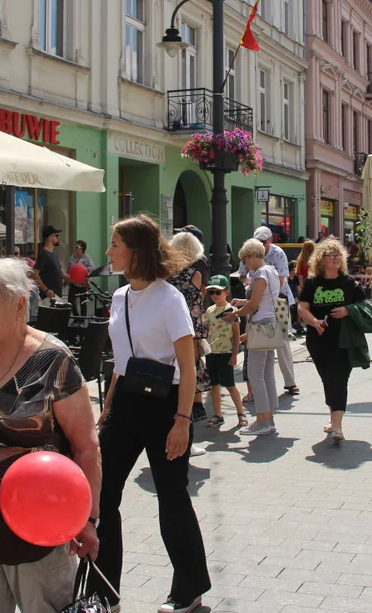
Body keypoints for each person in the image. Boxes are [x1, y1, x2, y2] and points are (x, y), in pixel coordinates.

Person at [0, 258, 101, 613]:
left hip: (40, 529)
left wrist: (88, 520)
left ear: (19, 306)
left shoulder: (52, 361)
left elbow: (86, 446)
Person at [94, 215, 210, 613]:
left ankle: (189, 589)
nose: (108, 252)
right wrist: (107, 407)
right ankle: (104, 593)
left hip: (166, 404)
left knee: (172, 498)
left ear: (136, 251)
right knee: (101, 496)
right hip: (125, 403)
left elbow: (189, 364)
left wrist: (182, 421)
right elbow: (120, 360)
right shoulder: (119, 297)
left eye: (114, 245)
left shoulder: (169, 298)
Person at [298, 238, 367, 443]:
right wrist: (315, 322)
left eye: (339, 255)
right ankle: (333, 417)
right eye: (332, 255)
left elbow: (364, 306)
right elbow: (302, 308)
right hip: (318, 340)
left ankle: (337, 426)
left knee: (338, 378)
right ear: (322, 259)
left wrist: (348, 310)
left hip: (344, 340)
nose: (336, 258)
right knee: (327, 378)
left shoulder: (349, 282)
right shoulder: (312, 283)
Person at [225, 238, 282, 436]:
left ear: (251, 256)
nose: (245, 264)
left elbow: (254, 304)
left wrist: (235, 314)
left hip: (260, 326)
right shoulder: (272, 271)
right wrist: (243, 302)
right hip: (271, 325)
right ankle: (269, 419)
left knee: (256, 375)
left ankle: (261, 421)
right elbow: (264, 298)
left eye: (245, 260)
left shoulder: (260, 273)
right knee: (267, 374)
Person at [240, 226, 299, 395]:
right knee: (257, 339)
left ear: (270, 241)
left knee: (282, 339)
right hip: (257, 300)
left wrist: (262, 293)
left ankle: (290, 382)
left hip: (278, 300)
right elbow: (243, 273)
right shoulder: (250, 250)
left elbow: (281, 280)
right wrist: (246, 283)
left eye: (263, 243)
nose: (260, 245)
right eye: (257, 242)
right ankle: (260, 386)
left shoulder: (278, 253)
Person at [168, 230, 212, 433]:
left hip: (169, 325)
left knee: (174, 364)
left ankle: (180, 404)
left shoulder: (166, 273)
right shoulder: (195, 274)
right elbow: (197, 305)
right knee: (191, 364)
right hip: (189, 327)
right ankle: (195, 405)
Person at [203, 276, 247, 429]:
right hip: (211, 353)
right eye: (212, 292)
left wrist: (235, 354)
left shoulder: (232, 310)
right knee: (214, 385)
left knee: (230, 385)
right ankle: (217, 414)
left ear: (226, 292)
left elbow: (236, 334)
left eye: (218, 292)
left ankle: (241, 412)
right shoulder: (209, 311)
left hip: (226, 352)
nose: (215, 295)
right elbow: (208, 331)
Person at [32, 225, 65, 300]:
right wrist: (46, 290)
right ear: (50, 237)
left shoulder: (54, 255)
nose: (58, 238)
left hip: (57, 295)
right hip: (49, 296)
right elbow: (34, 274)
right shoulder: (43, 254)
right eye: (56, 235)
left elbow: (62, 273)